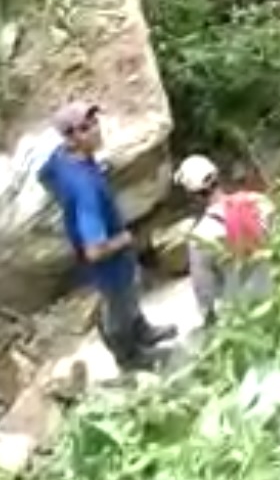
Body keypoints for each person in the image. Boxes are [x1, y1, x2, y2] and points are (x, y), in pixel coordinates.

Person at [37, 100, 176, 371]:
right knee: (119, 305)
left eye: (94, 122)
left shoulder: (61, 158)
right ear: (72, 137)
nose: (97, 130)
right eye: (87, 127)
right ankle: (130, 357)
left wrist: (68, 201)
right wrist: (123, 240)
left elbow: (44, 176)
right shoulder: (85, 189)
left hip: (106, 246)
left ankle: (143, 331)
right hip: (109, 264)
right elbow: (95, 250)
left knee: (130, 293)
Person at [174, 155, 275, 323]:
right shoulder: (260, 202)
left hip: (242, 316)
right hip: (277, 295)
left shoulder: (200, 238)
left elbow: (205, 295)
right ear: (219, 178)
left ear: (192, 196)